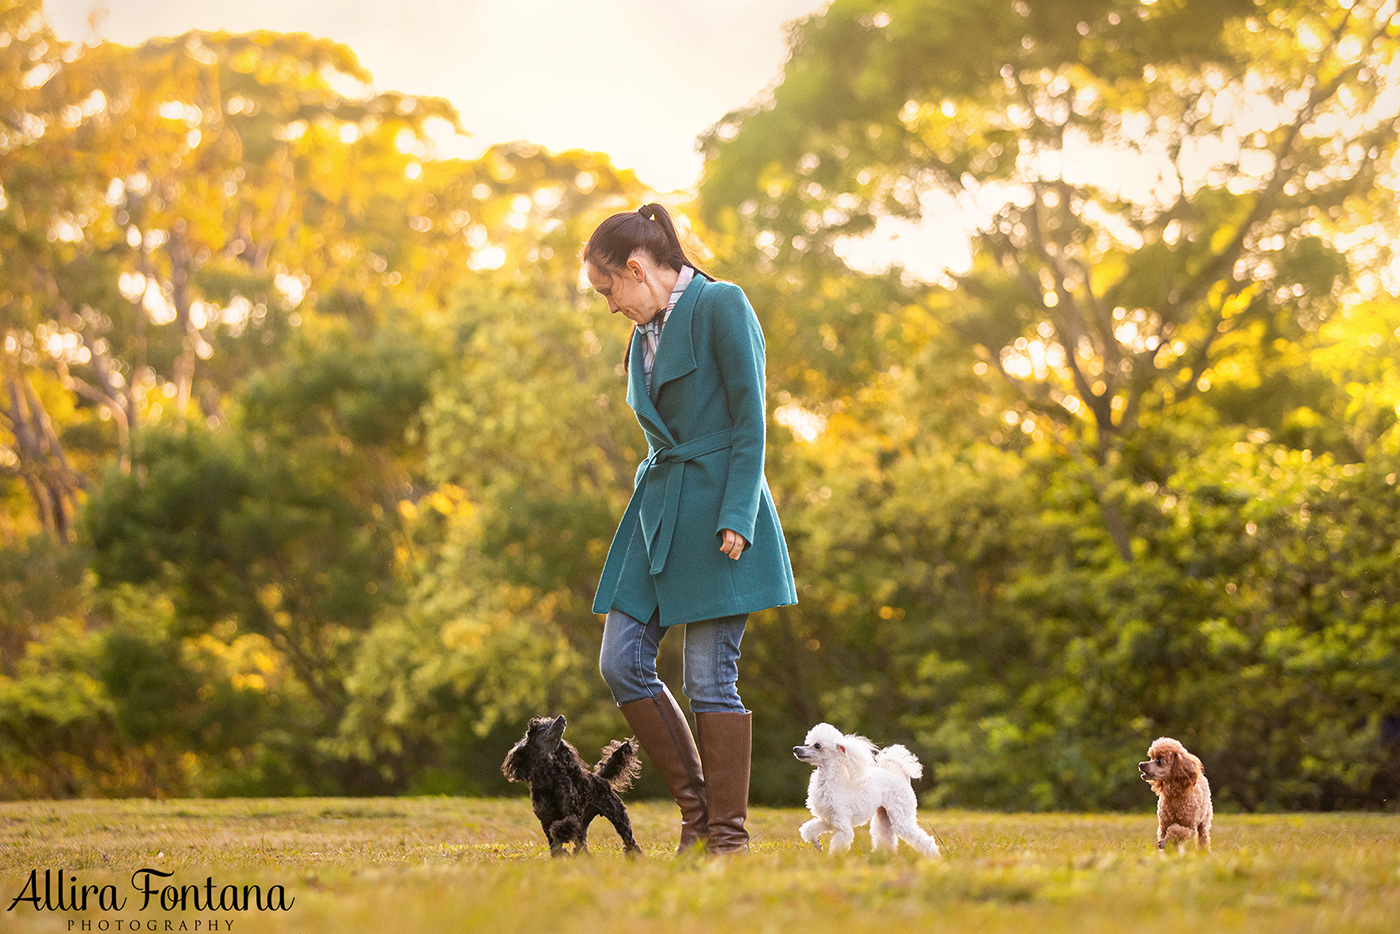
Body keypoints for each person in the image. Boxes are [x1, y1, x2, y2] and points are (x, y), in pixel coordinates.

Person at [584, 203, 797, 855]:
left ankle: (722, 840)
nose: (610, 306)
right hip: (659, 509)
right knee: (621, 659)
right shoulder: (642, 333)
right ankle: (699, 814)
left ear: (637, 268)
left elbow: (748, 418)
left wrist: (738, 513)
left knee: (709, 678)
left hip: (718, 514)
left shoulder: (721, 305)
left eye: (608, 291)